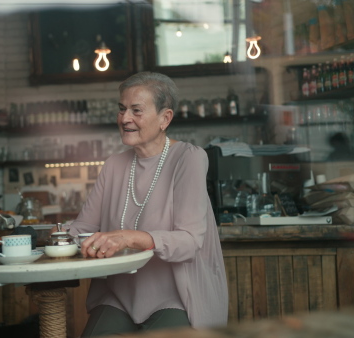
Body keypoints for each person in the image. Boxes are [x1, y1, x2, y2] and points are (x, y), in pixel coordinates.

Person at [60, 71, 228, 336]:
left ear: (165, 118)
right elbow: (83, 226)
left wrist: (129, 238)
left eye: (136, 110)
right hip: (119, 295)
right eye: (122, 109)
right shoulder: (114, 165)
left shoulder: (189, 158)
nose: (125, 118)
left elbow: (189, 241)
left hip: (177, 296)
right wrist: (54, 238)